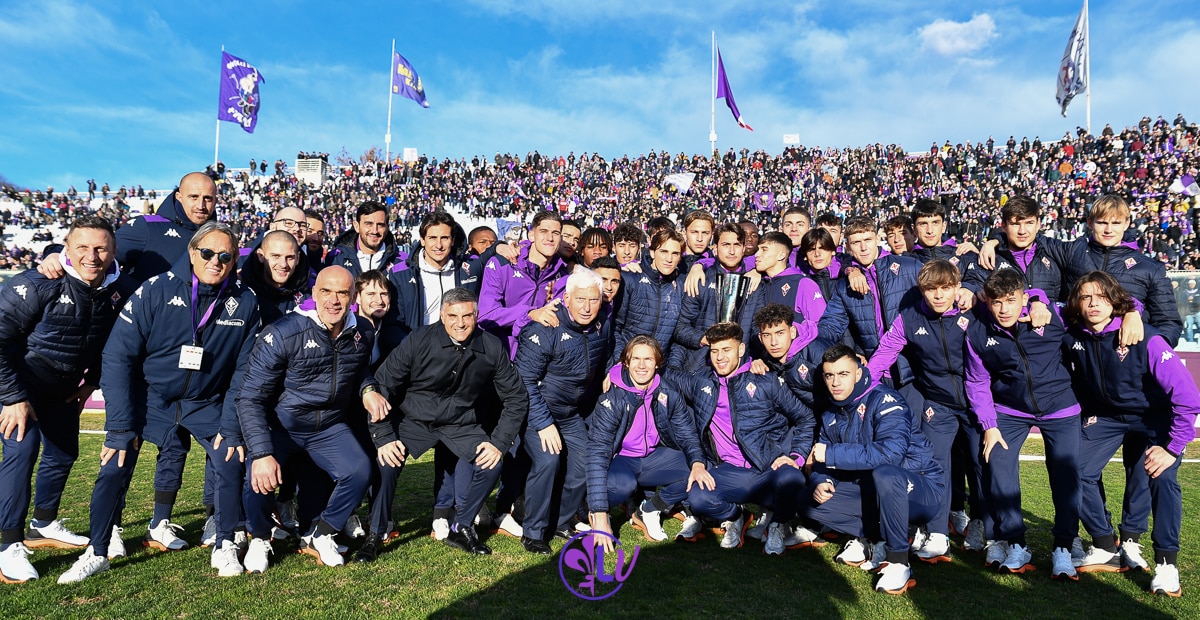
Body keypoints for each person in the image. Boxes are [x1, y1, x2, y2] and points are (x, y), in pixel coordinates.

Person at [58, 223, 261, 583]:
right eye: (208, 253)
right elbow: (118, 356)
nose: (216, 261)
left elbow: (246, 370)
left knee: (230, 458)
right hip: (150, 397)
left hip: (204, 401)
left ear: (234, 260)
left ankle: (226, 542)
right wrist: (120, 427)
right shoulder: (155, 290)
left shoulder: (245, 301)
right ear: (192, 252)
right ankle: (98, 550)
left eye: (226, 256)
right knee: (114, 463)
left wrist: (231, 427)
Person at [0, 216, 136, 584]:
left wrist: (91, 382)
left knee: (62, 453)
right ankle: (7, 544)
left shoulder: (120, 289)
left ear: (113, 251)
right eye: (83, 248)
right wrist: (12, 396)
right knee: (21, 451)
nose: (92, 256)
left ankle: (42, 524)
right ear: (67, 248)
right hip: (21, 386)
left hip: (63, 389)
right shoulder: (37, 282)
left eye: (100, 248)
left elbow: (112, 345)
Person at [236, 266, 381, 573]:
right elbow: (250, 397)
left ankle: (322, 533)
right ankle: (260, 537)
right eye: (326, 291)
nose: (334, 300)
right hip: (283, 425)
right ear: (314, 294)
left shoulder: (363, 331)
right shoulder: (283, 332)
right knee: (257, 478)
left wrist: (368, 388)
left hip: (328, 425)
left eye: (342, 293)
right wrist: (262, 453)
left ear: (353, 297)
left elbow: (359, 368)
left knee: (359, 470)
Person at [1062, 272, 1197, 597]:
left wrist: (1172, 447)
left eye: (1101, 296)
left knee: (1160, 478)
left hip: (1154, 418)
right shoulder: (1071, 335)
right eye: (1086, 297)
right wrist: (1036, 299)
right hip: (1106, 417)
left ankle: (1166, 563)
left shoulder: (1145, 338)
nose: (1093, 303)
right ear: (1077, 303)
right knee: (1073, 470)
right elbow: (1038, 303)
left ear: (1116, 301)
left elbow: (1188, 397)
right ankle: (1106, 544)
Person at [370, 288, 529, 556]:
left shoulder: (491, 346)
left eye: (467, 315)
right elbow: (383, 384)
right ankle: (376, 532)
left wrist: (499, 443)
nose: (461, 323)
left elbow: (517, 397)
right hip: (414, 419)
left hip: (461, 423)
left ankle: (462, 527)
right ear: (442, 316)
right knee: (387, 462)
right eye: (453, 316)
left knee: (491, 462)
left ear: (476, 315)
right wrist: (384, 436)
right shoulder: (418, 339)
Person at [964, 269, 1081, 581]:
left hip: (1060, 408)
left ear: (1024, 297)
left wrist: (1135, 314)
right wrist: (989, 425)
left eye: (1011, 301)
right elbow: (977, 382)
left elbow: (1104, 306)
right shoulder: (977, 333)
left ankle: (1064, 547)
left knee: (1066, 475)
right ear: (987, 302)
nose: (1004, 309)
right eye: (997, 302)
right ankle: (1016, 543)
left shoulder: (1051, 315)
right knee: (998, 463)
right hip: (1009, 411)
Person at [805, 345, 944, 595]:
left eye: (843, 374)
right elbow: (822, 462)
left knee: (886, 473)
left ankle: (899, 561)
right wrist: (821, 479)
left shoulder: (885, 399)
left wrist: (832, 454)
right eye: (829, 375)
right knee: (807, 499)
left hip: (920, 488)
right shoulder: (830, 413)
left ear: (858, 373)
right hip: (872, 488)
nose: (836, 382)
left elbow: (891, 454)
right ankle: (872, 539)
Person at [671, 322, 813, 555]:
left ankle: (777, 523)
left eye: (726, 350)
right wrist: (618, 370)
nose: (719, 357)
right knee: (698, 498)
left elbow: (806, 417)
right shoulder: (702, 382)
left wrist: (796, 456)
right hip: (729, 470)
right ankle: (738, 516)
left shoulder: (764, 379)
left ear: (740, 349)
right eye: (714, 351)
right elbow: (665, 373)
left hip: (767, 467)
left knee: (793, 479)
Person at [514, 268, 612, 554]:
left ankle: (560, 521)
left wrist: (608, 372)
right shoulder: (546, 327)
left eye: (593, 300)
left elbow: (604, 354)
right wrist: (543, 423)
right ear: (566, 298)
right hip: (538, 411)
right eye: (580, 299)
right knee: (548, 461)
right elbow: (524, 381)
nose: (587, 307)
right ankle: (533, 531)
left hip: (571, 414)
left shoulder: (602, 322)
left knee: (585, 463)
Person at [586, 336, 701, 547]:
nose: (641, 365)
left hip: (652, 458)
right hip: (622, 459)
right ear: (626, 362)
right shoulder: (612, 396)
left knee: (699, 470)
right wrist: (600, 513)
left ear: (657, 362)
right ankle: (592, 510)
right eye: (636, 359)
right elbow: (597, 453)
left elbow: (687, 434)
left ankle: (649, 508)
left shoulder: (668, 391)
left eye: (648, 359)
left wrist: (698, 463)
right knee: (623, 485)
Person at [478, 210, 569, 357]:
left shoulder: (562, 274)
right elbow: (486, 315)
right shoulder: (502, 264)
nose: (550, 238)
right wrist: (529, 313)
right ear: (532, 235)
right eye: (543, 231)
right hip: (497, 356)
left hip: (535, 360)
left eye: (556, 233)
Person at [671, 223, 754, 373]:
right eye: (726, 244)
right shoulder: (700, 280)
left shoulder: (754, 281)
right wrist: (710, 340)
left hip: (742, 367)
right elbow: (680, 327)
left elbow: (756, 328)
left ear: (743, 248)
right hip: (702, 366)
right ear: (715, 248)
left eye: (737, 245)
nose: (731, 251)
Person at [388, 211, 481, 338]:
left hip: (461, 348)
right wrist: (412, 350)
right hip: (419, 349)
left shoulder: (471, 267)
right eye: (432, 238)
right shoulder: (400, 274)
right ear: (422, 240)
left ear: (453, 240)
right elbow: (394, 324)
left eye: (444, 238)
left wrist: (498, 246)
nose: (439, 245)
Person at [610, 228, 684, 366]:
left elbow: (677, 337)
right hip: (627, 365)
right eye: (664, 251)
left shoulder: (681, 285)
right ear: (652, 252)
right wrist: (620, 362)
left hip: (659, 369)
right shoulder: (630, 278)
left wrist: (672, 367)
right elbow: (615, 327)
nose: (669, 259)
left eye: (675, 254)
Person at [240, 231, 310, 326]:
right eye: (276, 256)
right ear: (261, 256)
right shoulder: (241, 293)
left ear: (297, 258)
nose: (283, 264)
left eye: (290, 258)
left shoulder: (309, 297)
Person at [324, 201, 401, 277]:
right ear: (357, 226)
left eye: (380, 225)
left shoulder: (402, 262)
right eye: (368, 224)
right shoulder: (335, 259)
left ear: (387, 227)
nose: (375, 231)